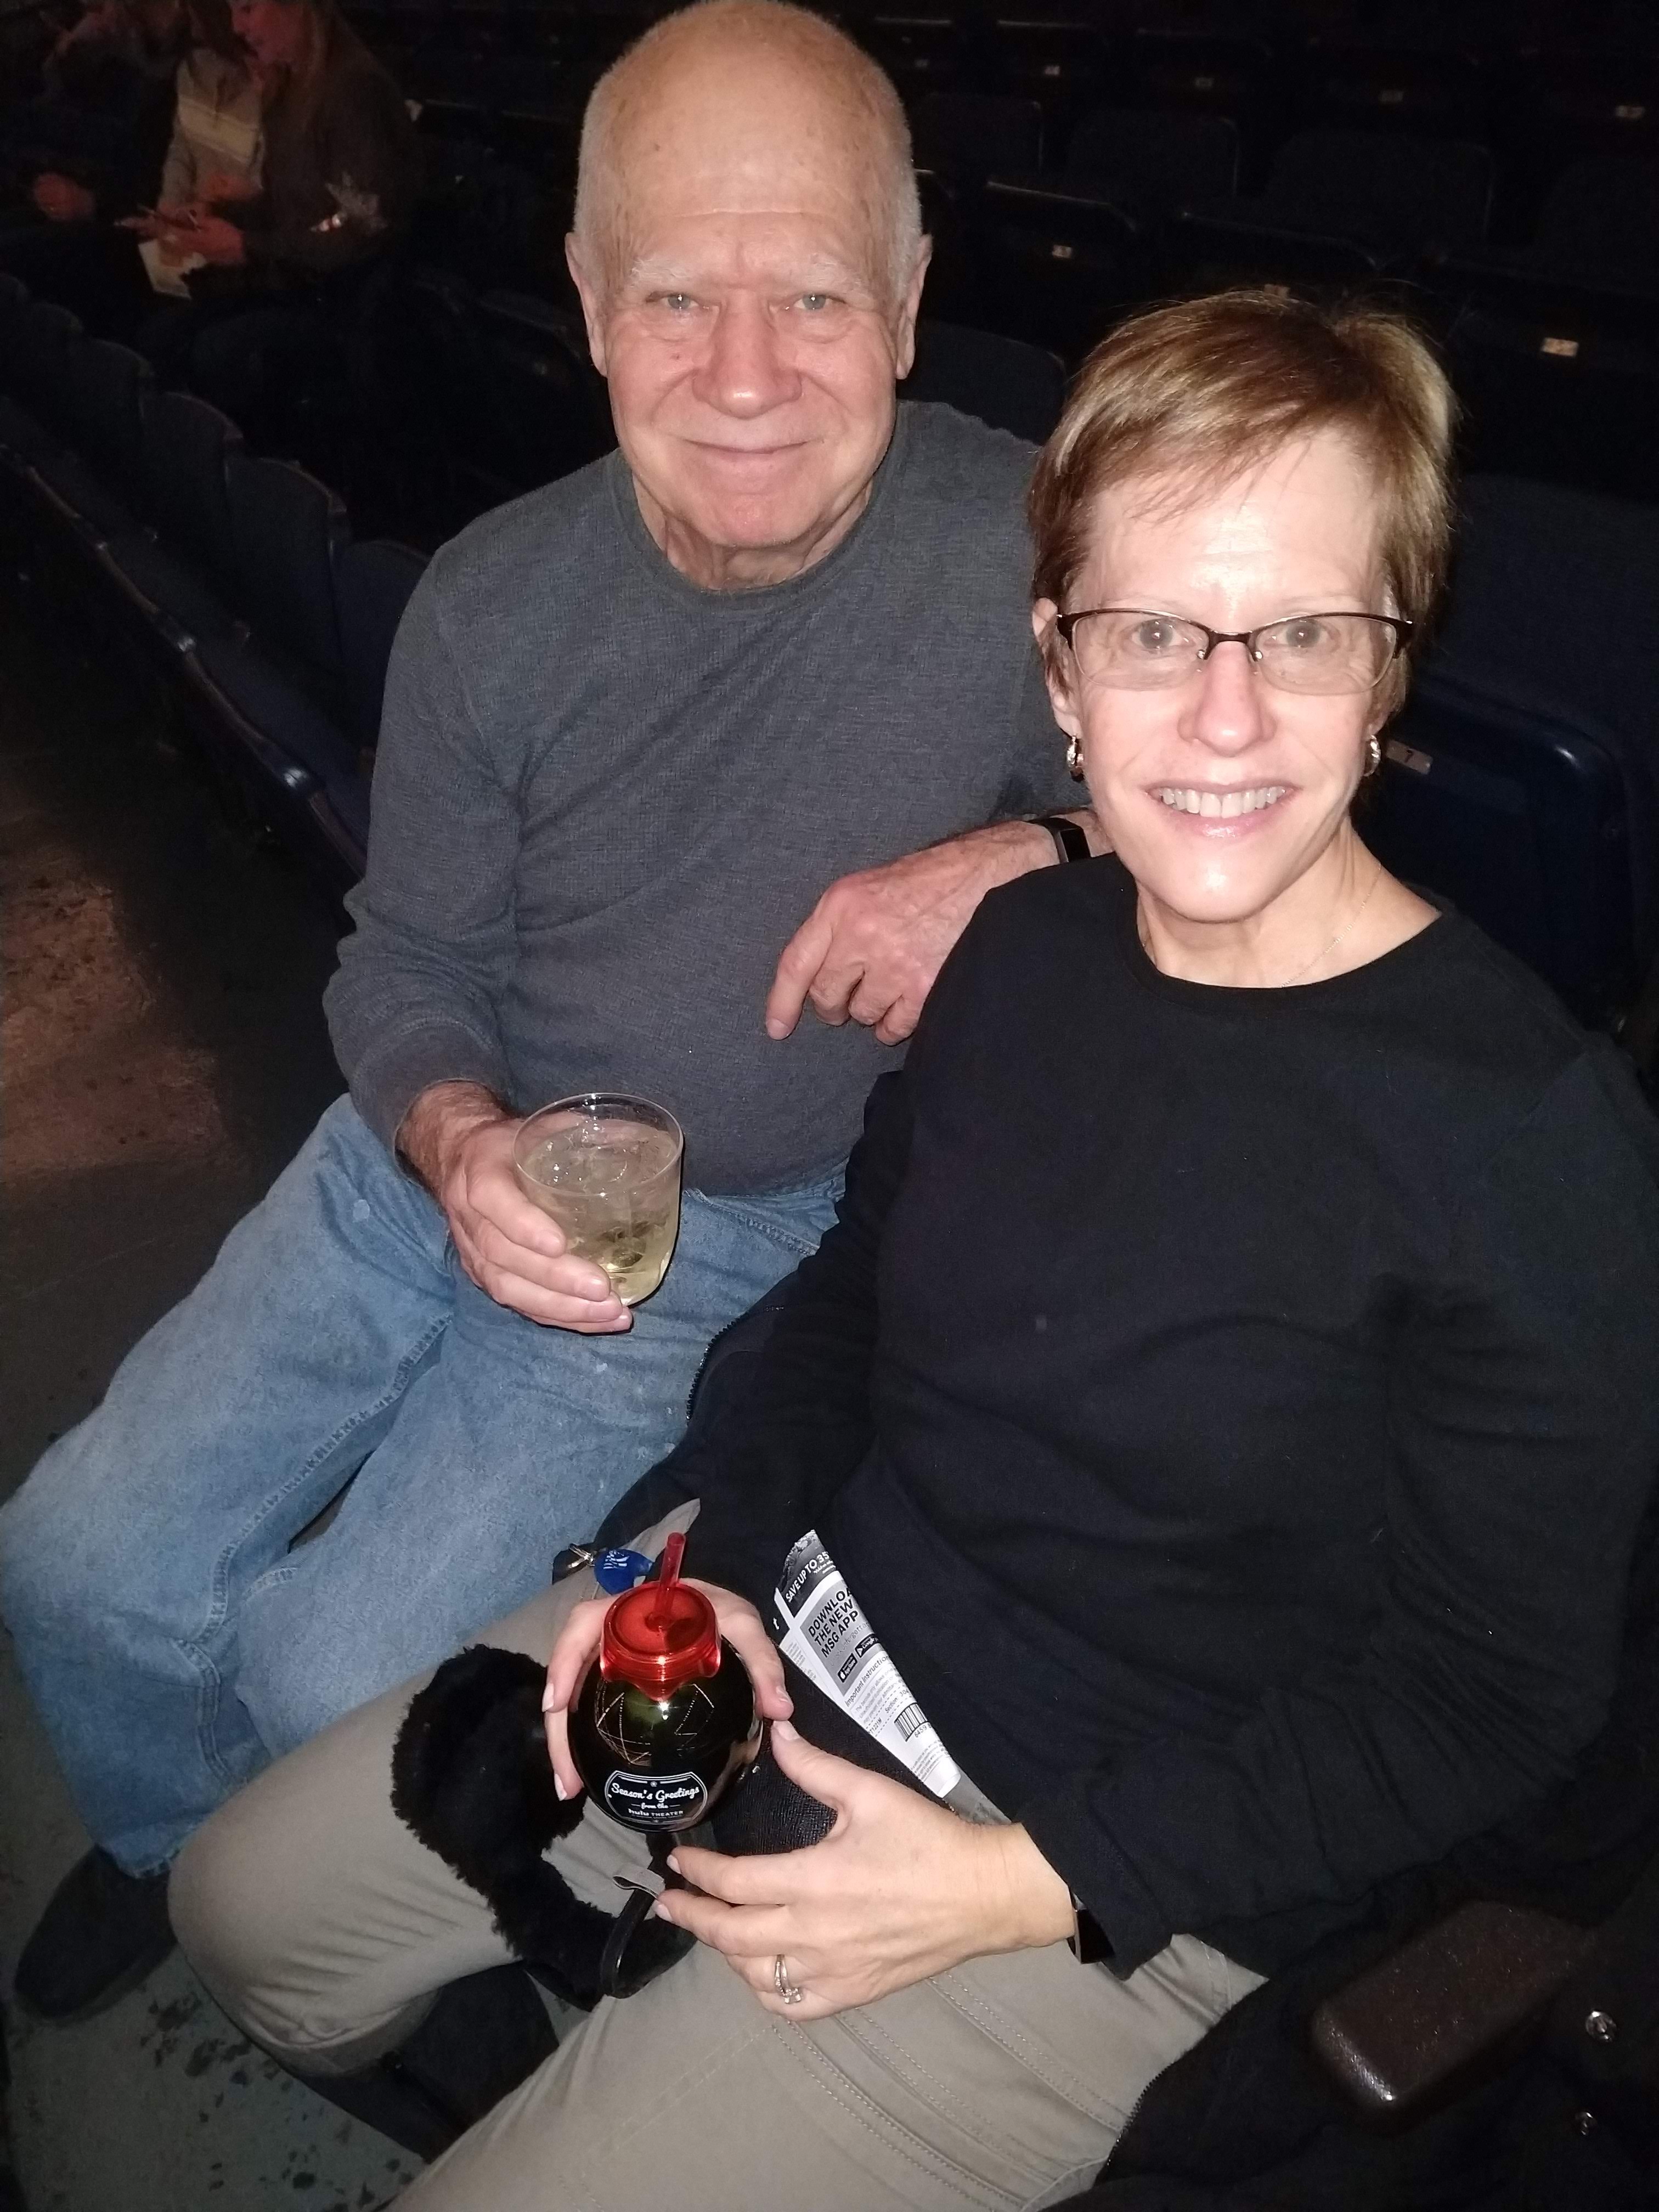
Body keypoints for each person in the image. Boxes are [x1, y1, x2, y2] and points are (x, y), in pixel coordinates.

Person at [166, 287, 1659, 2207]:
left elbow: (1485, 1703)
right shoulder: (1020, 955)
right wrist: (681, 1557)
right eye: (1148, 633)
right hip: (793, 1629)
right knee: (241, 1911)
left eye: (1299, 632)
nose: (1221, 713)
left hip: (1109, 1859)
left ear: (1390, 669)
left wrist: (1013, 1882)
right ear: (1056, 666)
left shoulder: (1529, 1150)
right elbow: (845, 1299)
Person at [0, 0, 1093, 2023]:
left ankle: (283, 1911)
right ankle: (172, 1856)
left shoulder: (1042, 545)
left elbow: (1274, 797)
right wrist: (452, 1136)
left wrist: (1030, 851)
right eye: (675, 292)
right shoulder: (490, 602)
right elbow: (399, 959)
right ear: (586, 300)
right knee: (71, 1556)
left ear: (913, 297)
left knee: (322, 1672)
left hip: (721, 1235)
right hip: (421, 1149)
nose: (745, 375)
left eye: (813, 294)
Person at [132, 0, 417, 434]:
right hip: (297, 281)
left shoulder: (353, 89)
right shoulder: (291, 86)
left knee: (217, 352)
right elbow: (299, 204)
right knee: (160, 338)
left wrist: (246, 246)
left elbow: (360, 226)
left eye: (247, 9)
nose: (235, 28)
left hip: (346, 304)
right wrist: (219, 216)